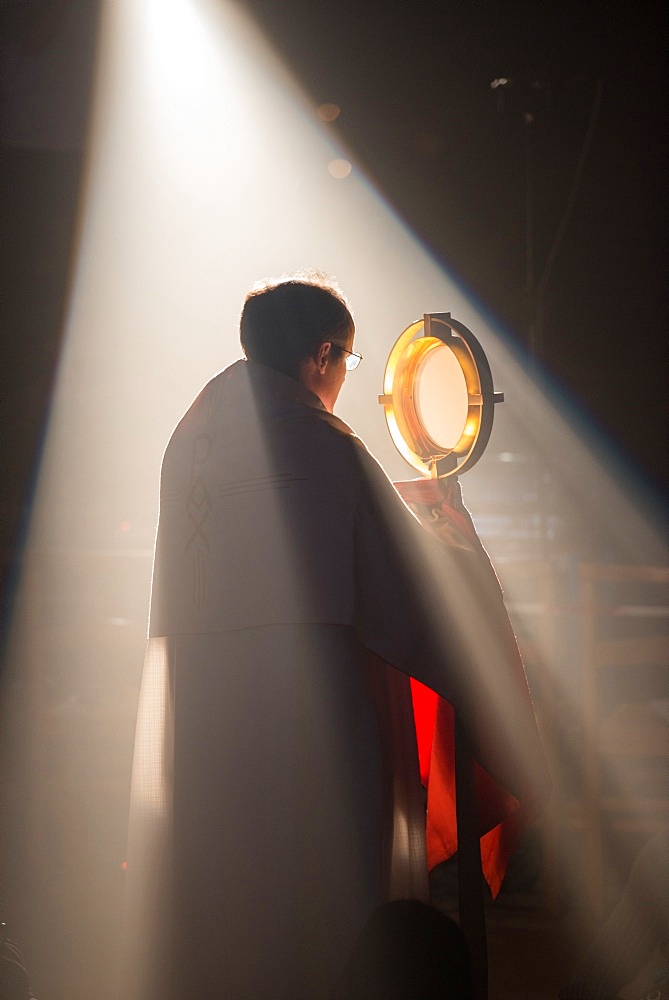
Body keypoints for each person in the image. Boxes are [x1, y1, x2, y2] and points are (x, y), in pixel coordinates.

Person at [121, 271, 548, 1000]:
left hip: (203, 711)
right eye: (348, 363)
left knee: (225, 884)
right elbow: (413, 589)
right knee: (321, 892)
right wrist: (457, 539)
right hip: (306, 713)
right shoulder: (321, 445)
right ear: (322, 353)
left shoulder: (186, 443)